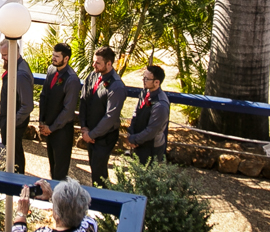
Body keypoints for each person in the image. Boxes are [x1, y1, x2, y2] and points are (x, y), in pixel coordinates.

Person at [77, 47, 127, 184]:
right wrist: (84, 127)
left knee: (99, 172)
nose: (94, 65)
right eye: (94, 61)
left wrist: (92, 134)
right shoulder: (92, 76)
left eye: (98, 63)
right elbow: (84, 100)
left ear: (109, 64)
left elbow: (110, 116)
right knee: (94, 168)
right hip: (89, 131)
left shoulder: (116, 86)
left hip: (105, 136)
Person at [35, 44, 82, 182]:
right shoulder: (51, 70)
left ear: (66, 58)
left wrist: (52, 128)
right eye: (53, 55)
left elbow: (68, 110)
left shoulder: (72, 79)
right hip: (48, 126)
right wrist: (42, 121)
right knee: (52, 166)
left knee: (60, 171)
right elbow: (44, 95)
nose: (53, 58)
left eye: (57, 56)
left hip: (62, 130)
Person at [0, 38, 34, 174]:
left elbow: (27, 105)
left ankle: (17, 178)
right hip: (10, 120)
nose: (3, 58)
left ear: (14, 52)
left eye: (5, 55)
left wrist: (12, 123)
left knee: (15, 154)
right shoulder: (15, 66)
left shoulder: (21, 74)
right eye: (2, 55)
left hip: (14, 123)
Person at [125, 65, 170, 165]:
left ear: (157, 82)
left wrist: (134, 139)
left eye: (147, 79)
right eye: (143, 77)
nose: (143, 80)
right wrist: (131, 132)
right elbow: (136, 113)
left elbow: (152, 131)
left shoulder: (160, 105)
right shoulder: (145, 92)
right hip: (139, 143)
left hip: (151, 148)